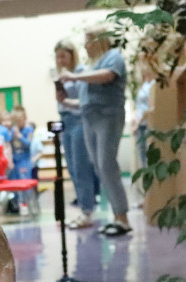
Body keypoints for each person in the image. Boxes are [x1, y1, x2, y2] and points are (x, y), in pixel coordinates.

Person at [59, 26, 131, 236]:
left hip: (108, 116)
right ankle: (117, 216)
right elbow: (84, 102)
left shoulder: (113, 57)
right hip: (89, 118)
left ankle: (122, 217)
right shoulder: (92, 66)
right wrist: (66, 102)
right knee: (99, 167)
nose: (85, 46)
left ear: (100, 41)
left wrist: (75, 77)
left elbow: (107, 76)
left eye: (88, 41)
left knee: (107, 165)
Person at [53, 39, 99, 228]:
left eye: (64, 56)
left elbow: (82, 100)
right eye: (57, 57)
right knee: (72, 168)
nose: (60, 60)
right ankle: (83, 208)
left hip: (79, 121)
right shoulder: (61, 76)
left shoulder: (80, 73)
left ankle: (87, 211)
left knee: (81, 168)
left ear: (72, 55)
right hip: (65, 122)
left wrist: (65, 100)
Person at [8, 105, 35, 212]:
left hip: (25, 161)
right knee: (13, 183)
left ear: (25, 118)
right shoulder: (12, 131)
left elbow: (29, 144)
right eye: (15, 121)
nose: (18, 124)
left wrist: (19, 136)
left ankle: (27, 204)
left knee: (25, 184)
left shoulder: (29, 130)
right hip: (14, 161)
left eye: (19, 121)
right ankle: (15, 204)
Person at [133, 61, 155, 171]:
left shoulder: (154, 84)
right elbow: (139, 106)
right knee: (142, 153)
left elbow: (150, 106)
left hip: (148, 123)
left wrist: (139, 121)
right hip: (140, 124)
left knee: (149, 153)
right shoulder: (144, 84)